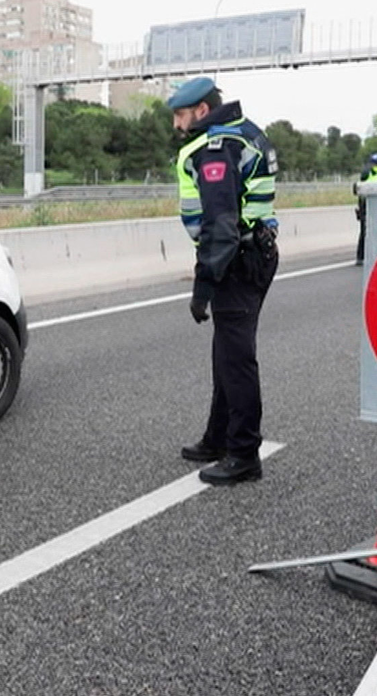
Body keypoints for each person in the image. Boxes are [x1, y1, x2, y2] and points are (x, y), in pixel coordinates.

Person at [167, 77, 280, 486]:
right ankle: (218, 437)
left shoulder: (216, 148)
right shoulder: (244, 132)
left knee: (236, 358)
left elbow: (221, 226)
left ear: (200, 110)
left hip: (238, 261)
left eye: (180, 115)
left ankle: (244, 453)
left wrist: (203, 287)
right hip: (252, 254)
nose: (177, 126)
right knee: (226, 353)